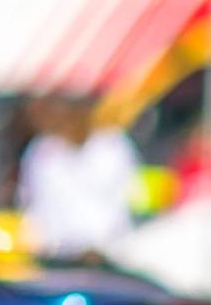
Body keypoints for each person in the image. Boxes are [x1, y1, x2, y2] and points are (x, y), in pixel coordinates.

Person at [16, 93, 140, 261]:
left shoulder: (112, 146)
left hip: (107, 256)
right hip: (54, 258)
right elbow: (31, 203)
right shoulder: (42, 150)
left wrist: (100, 247)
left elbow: (124, 199)